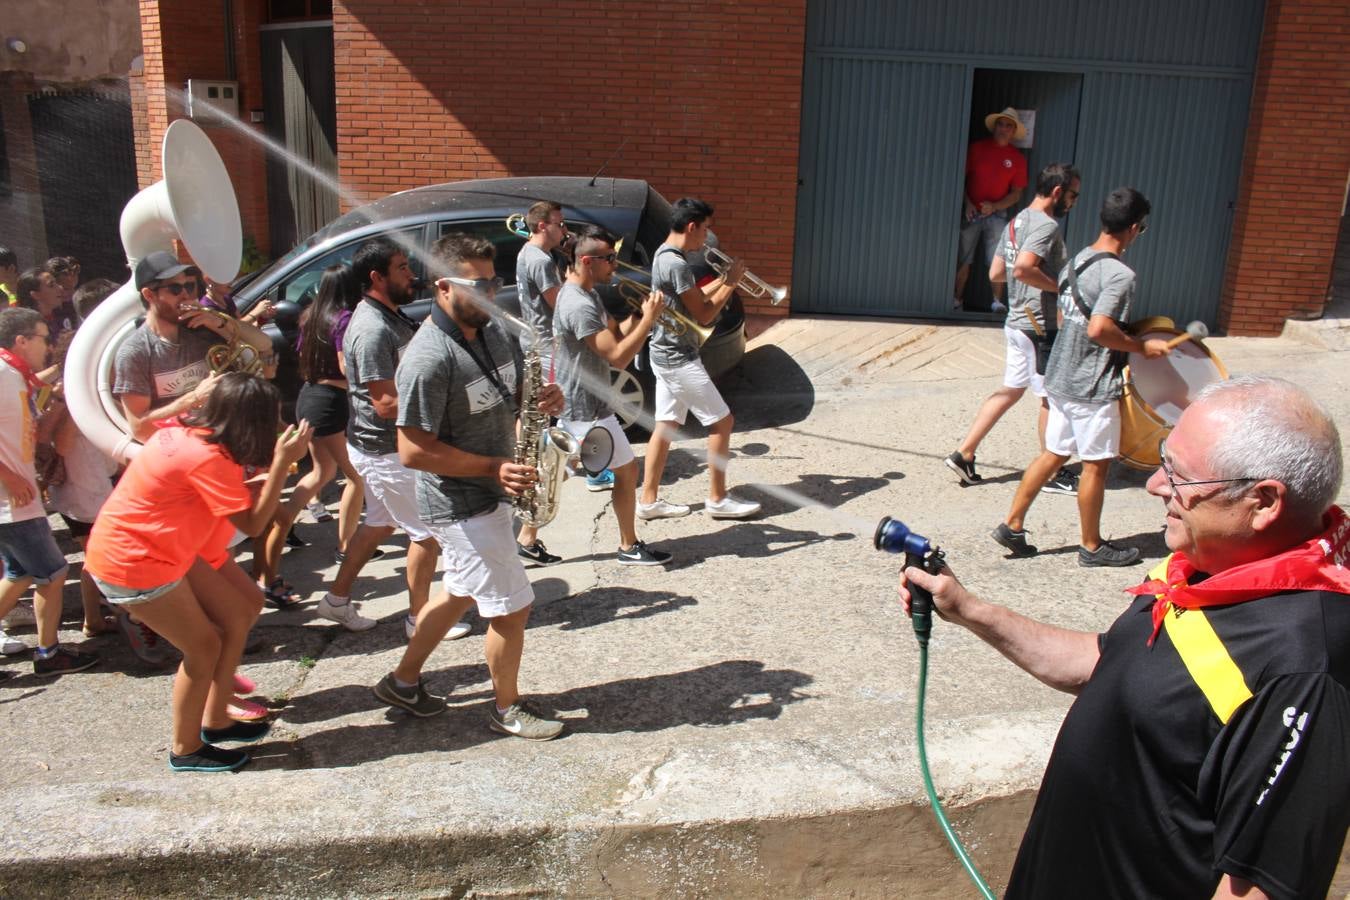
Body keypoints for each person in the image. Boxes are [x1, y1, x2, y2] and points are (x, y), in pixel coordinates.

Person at [901, 375, 1350, 899]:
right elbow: (1110, 665)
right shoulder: (1206, 571)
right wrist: (970, 610)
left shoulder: (1305, 668)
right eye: (1164, 459)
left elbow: (1259, 888)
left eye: (1178, 476)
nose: (1155, 486)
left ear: (1263, 502)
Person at [375, 232, 564, 740]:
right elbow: (413, 450)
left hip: (489, 489)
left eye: (493, 281)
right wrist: (490, 469)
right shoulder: (427, 358)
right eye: (477, 285)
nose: (490, 293)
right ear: (442, 286)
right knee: (513, 604)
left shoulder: (494, 331)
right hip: (459, 503)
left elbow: (512, 390)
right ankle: (508, 708)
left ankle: (401, 681)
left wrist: (543, 397)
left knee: (459, 591)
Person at [84, 373, 311, 771]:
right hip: (135, 562)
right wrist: (280, 464)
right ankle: (186, 749)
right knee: (203, 646)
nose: (275, 425)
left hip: (164, 550)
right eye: (270, 419)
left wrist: (260, 480)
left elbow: (206, 495)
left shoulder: (190, 434)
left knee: (242, 608)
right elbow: (256, 525)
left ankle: (218, 718)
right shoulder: (209, 458)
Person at [993, 187, 1169, 567]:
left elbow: (1064, 317)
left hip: (1060, 376)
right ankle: (1091, 547)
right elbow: (1099, 328)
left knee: (1053, 454)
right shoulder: (1120, 275)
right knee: (1096, 465)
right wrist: (1141, 348)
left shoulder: (1078, 261)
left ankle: (1013, 523)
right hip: (1091, 387)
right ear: (1135, 228)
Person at [316, 239, 467, 642]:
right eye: (401, 268)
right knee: (426, 534)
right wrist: (444, 412)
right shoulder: (369, 329)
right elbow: (384, 403)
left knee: (378, 526)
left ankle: (335, 600)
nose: (410, 274)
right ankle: (420, 620)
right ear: (376, 277)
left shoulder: (392, 316)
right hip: (384, 449)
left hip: (380, 447)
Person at [946, 163, 1081, 494]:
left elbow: (996, 273)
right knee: (1050, 398)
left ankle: (964, 454)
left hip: (1018, 323)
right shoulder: (1045, 226)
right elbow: (1021, 269)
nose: (1074, 202)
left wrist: (1027, 288)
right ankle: (1049, 472)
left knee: (1010, 391)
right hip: (1038, 326)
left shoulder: (1015, 222)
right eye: (1074, 195)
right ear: (1058, 192)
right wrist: (1057, 288)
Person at [553, 226, 672, 565]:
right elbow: (617, 357)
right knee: (622, 470)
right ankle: (627, 546)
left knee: (567, 469)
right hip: (585, 405)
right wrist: (648, 322)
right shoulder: (578, 303)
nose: (615, 265)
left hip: (587, 402)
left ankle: (525, 535)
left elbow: (616, 332)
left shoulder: (587, 291)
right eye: (609, 259)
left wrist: (639, 312)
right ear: (588, 261)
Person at [639, 198, 761, 522]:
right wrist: (732, 282)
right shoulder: (676, 264)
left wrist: (724, 278)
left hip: (664, 353)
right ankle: (718, 499)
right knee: (722, 422)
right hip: (678, 358)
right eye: (705, 229)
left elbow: (697, 298)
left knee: (665, 426)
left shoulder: (664, 255)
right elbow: (705, 314)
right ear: (691, 226)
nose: (706, 238)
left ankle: (649, 501)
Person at [252, 264, 365, 604]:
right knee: (357, 477)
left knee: (323, 472)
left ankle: (284, 519)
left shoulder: (311, 316)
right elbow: (347, 367)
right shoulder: (343, 318)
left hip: (310, 397)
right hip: (330, 402)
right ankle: (346, 548)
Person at [0, 308, 99, 677]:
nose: (49, 344)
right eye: (44, 337)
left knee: (20, 573)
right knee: (54, 573)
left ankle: (48, 650)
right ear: (21, 341)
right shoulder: (3, 374)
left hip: (16, 499)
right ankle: (48, 653)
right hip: (11, 502)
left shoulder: (14, 374)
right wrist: (10, 478)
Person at [512, 200, 599, 568]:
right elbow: (558, 303)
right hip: (547, 347)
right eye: (560, 225)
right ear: (543, 225)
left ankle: (530, 462)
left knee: (536, 414)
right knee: (559, 417)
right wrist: (576, 277)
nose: (564, 230)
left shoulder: (528, 252)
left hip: (536, 343)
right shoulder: (540, 261)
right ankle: (528, 526)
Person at [112, 250, 275, 442]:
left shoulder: (201, 330)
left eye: (189, 286)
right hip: (177, 452)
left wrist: (218, 322)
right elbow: (140, 429)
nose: (186, 295)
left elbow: (263, 343)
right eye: (174, 289)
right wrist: (194, 398)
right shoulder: (135, 352)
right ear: (149, 295)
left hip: (221, 442)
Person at [50, 280, 123, 638]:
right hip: (83, 490)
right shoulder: (75, 378)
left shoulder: (98, 358)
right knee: (98, 554)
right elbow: (62, 445)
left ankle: (94, 618)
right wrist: (72, 404)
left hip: (100, 481)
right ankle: (108, 615)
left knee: (96, 556)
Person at [954, 107, 1028, 312]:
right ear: (994, 126)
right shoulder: (976, 149)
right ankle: (957, 300)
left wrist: (994, 206)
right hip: (972, 212)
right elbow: (960, 178)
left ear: (1013, 131)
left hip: (997, 214)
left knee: (996, 259)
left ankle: (997, 302)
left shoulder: (1017, 159)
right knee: (964, 257)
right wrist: (967, 203)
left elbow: (1016, 193)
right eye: (1000, 124)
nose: (1003, 129)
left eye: (1008, 126)